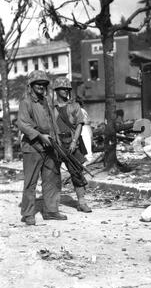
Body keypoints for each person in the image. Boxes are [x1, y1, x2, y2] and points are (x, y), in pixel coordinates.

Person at [17, 70, 67, 225]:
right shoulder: (26, 102)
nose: (41, 86)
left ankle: (51, 211)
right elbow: (22, 124)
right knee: (31, 182)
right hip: (32, 147)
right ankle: (28, 214)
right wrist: (40, 136)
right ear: (31, 85)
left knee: (52, 178)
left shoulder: (46, 101)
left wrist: (57, 140)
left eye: (44, 84)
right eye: (37, 84)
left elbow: (52, 123)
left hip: (49, 146)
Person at [53, 77, 92, 213]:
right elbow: (50, 127)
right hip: (56, 144)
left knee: (77, 172)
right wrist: (56, 142)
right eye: (62, 89)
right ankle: (53, 204)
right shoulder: (52, 108)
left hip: (71, 142)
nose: (65, 91)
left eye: (67, 89)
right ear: (56, 90)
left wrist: (74, 142)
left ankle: (81, 202)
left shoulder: (74, 106)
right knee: (53, 174)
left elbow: (79, 125)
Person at [76, 96, 94, 163]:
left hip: (84, 130)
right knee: (86, 148)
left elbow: (85, 121)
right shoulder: (82, 110)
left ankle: (88, 162)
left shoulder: (80, 111)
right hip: (85, 129)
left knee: (87, 147)